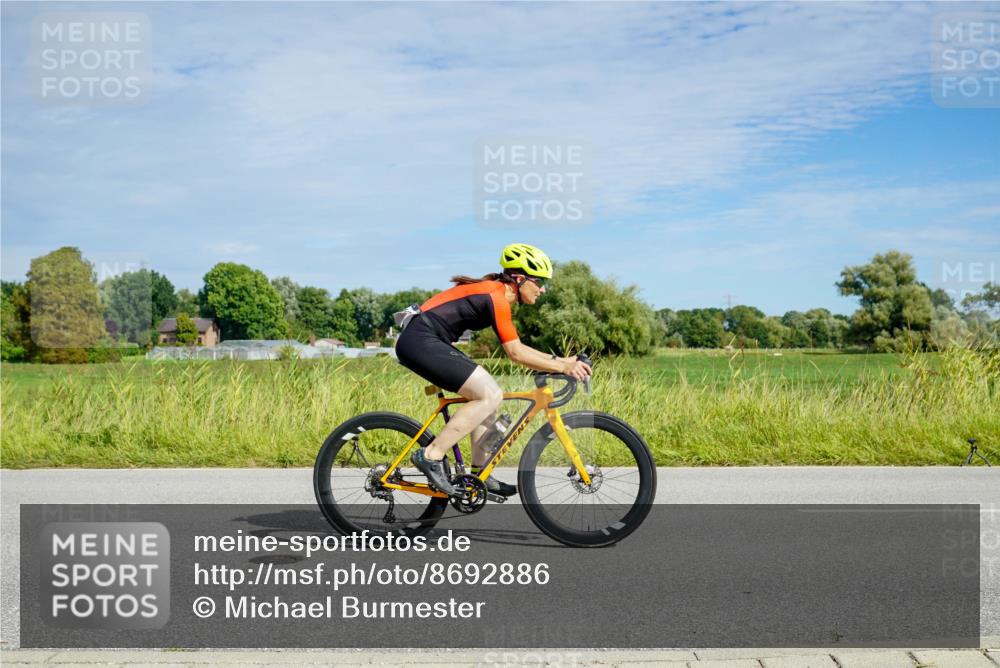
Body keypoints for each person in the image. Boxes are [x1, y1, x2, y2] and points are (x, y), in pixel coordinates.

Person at [395, 243, 592, 496]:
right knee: (490, 394)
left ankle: (480, 474)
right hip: (420, 341)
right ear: (520, 279)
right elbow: (516, 353)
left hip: (427, 341)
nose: (543, 289)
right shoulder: (496, 297)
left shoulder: (497, 294)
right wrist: (564, 367)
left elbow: (518, 347)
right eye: (539, 281)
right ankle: (431, 455)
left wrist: (564, 361)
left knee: (487, 398)